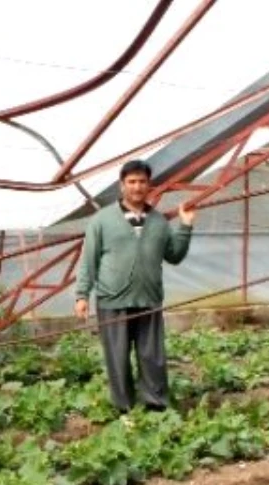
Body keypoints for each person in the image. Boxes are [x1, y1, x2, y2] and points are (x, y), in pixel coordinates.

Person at [73, 158, 196, 414]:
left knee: (152, 356)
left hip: (148, 298)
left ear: (149, 185)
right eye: (132, 182)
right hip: (112, 299)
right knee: (117, 358)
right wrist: (82, 294)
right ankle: (125, 408)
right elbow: (89, 259)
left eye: (142, 181)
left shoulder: (159, 222)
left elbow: (174, 255)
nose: (137, 187)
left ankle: (155, 405)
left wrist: (185, 226)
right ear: (122, 185)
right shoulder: (102, 220)